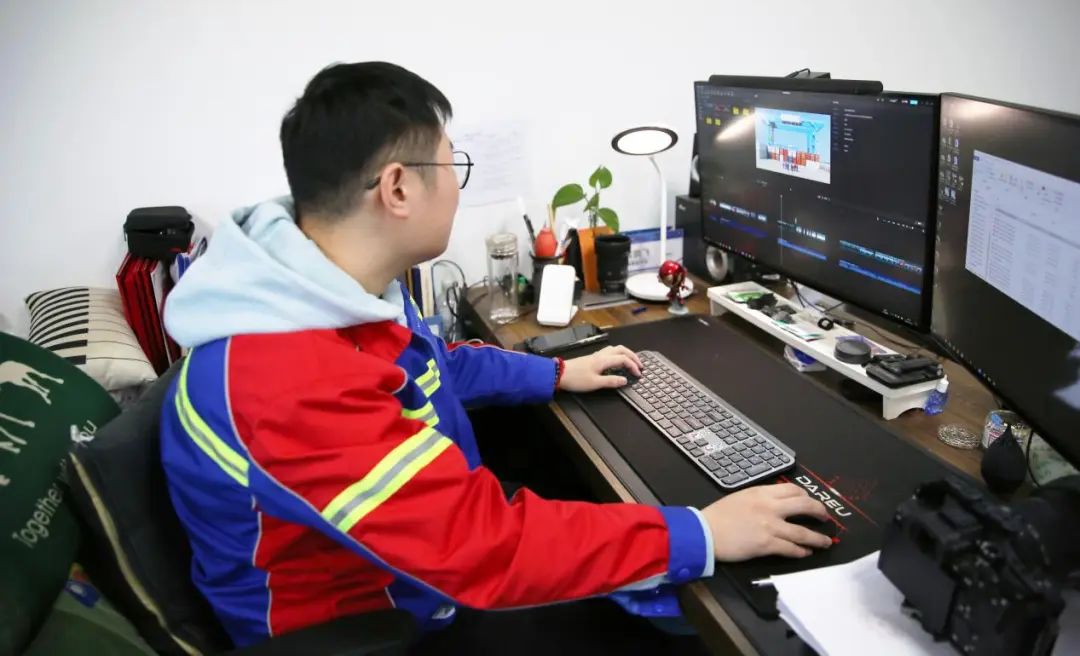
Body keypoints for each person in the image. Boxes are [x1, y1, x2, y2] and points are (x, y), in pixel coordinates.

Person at [159, 61, 831, 650]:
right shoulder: (281, 375)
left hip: (416, 560)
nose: (457, 186)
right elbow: (476, 546)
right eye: (452, 165)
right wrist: (701, 534)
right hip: (386, 623)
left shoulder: (328, 287)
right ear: (397, 189)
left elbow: (434, 367)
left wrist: (558, 371)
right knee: (702, 624)